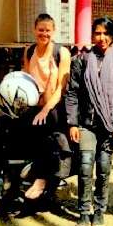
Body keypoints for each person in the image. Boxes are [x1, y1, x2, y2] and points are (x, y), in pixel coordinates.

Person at [65, 17, 113, 226]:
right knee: (86, 166)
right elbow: (72, 93)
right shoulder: (82, 60)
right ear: (92, 35)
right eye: (98, 33)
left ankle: (99, 210)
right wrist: (72, 123)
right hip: (86, 123)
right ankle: (84, 211)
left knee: (104, 168)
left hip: (110, 126)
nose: (102, 37)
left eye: (106, 33)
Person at [22, 13, 71, 200]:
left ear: (54, 31)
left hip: (54, 107)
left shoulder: (62, 53)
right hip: (34, 104)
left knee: (46, 130)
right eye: (40, 30)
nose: (44, 33)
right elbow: (25, 80)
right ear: (34, 30)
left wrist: (45, 109)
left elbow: (61, 87)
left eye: (48, 30)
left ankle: (41, 178)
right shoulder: (29, 51)